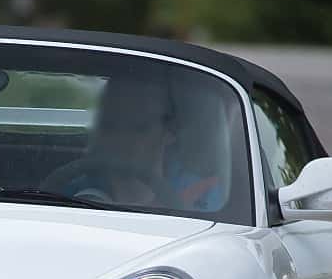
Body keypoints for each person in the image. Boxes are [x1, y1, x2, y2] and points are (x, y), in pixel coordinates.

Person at [43, 76, 226, 212]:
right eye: (110, 126)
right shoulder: (70, 192)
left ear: (169, 132)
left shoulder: (204, 195)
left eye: (139, 128)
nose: (121, 139)